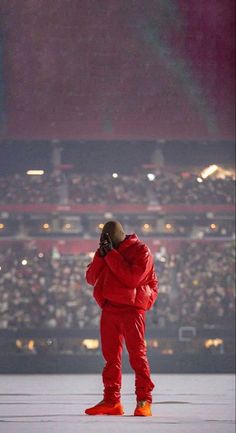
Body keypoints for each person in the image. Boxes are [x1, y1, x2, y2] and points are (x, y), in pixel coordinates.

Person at [85, 220, 158, 416]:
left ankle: (144, 401)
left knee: (137, 356)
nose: (105, 243)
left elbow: (132, 279)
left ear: (117, 237)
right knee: (110, 358)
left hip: (132, 309)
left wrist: (110, 254)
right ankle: (111, 401)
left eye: (108, 240)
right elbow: (91, 278)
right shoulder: (107, 251)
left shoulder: (141, 250)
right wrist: (101, 255)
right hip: (110, 308)